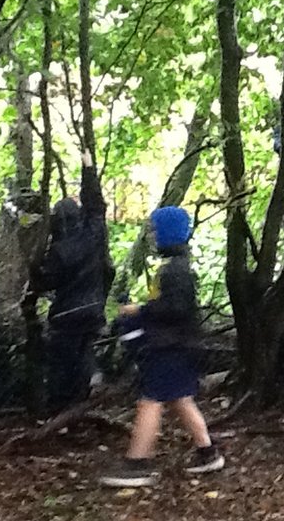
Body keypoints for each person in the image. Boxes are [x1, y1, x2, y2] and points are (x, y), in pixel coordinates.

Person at [99, 206, 224, 488]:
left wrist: (140, 310)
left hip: (171, 348)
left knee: (150, 400)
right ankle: (207, 453)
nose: (153, 237)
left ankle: (137, 464)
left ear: (167, 235)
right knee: (179, 398)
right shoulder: (174, 269)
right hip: (177, 346)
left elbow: (176, 309)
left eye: (156, 231)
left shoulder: (175, 272)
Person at [31, 150, 115, 413]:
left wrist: (34, 268)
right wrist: (88, 168)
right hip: (93, 309)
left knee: (61, 365)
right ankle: (89, 385)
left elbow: (45, 282)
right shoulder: (94, 233)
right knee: (83, 353)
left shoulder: (57, 251)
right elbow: (95, 206)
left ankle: (58, 413)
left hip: (66, 314)